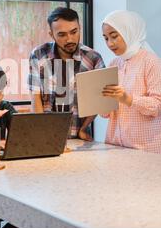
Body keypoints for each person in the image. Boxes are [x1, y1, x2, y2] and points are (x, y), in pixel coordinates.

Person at [101, 10, 161, 156]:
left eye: (114, 36)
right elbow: (105, 114)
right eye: (106, 38)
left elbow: (158, 106)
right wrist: (98, 100)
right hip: (118, 148)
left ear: (130, 31)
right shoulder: (113, 64)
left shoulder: (152, 62)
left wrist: (128, 99)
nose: (110, 43)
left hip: (150, 150)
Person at [28, 7, 105, 140]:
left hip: (79, 137)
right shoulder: (39, 55)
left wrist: (84, 128)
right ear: (51, 34)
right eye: (62, 34)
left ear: (79, 28)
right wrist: (41, 133)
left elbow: (100, 99)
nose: (69, 39)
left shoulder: (93, 58)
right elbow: (35, 98)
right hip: (47, 136)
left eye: (74, 32)